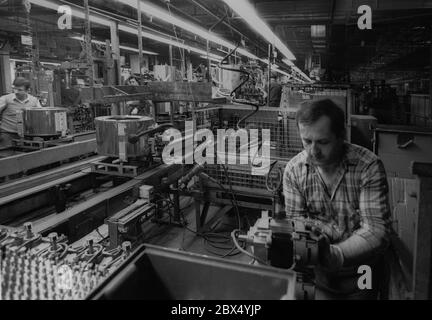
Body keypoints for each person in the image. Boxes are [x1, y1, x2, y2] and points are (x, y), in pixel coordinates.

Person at [283, 99, 391, 300]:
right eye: (307, 141)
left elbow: (377, 231)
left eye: (323, 142)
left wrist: (336, 255)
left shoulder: (367, 166)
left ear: (341, 136)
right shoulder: (294, 171)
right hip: (319, 271)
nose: (313, 151)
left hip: (362, 269)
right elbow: (296, 224)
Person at [0, 77, 42, 148]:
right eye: (14, 89)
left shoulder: (34, 101)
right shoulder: (5, 99)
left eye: (20, 90)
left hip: (27, 136)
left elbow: (40, 116)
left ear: (27, 90)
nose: (16, 92)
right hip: (8, 135)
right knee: (7, 156)